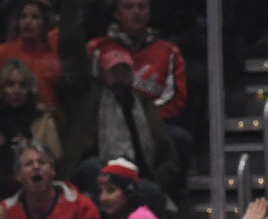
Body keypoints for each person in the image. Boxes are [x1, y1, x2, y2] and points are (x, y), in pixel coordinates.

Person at [58, 43, 180, 205]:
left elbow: (166, 150)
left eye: (124, 72)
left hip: (141, 174)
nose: (119, 78)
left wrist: (157, 178)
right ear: (103, 74)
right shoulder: (90, 102)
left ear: (132, 74)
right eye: (114, 72)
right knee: (91, 167)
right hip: (103, 173)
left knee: (150, 191)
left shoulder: (144, 104)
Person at [2, 141, 107, 219]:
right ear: (18, 175)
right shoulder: (4, 213)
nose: (36, 167)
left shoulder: (82, 207)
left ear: (52, 171)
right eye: (28, 164)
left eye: (42, 163)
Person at [0, 58, 61, 197]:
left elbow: (55, 158)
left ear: (30, 89)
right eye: (10, 84)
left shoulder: (43, 117)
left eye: (22, 85)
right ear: (1, 88)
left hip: (37, 186)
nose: (16, 91)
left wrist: (28, 148)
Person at [0, 1, 61, 109]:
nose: (27, 21)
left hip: (44, 120)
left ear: (45, 24)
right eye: (23, 16)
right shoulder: (2, 53)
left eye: (35, 17)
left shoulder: (54, 57)